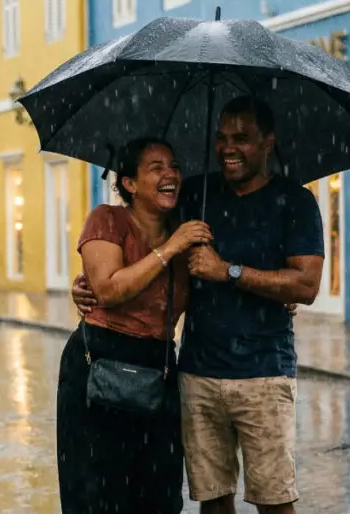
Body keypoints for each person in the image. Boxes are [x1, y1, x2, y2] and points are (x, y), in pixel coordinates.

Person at [73, 96, 325, 514]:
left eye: (242, 138)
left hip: (263, 373)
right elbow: (145, 241)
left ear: (268, 142)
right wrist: (89, 282)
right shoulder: (196, 195)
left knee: (275, 500)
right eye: (222, 137)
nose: (228, 147)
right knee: (212, 497)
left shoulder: (295, 202)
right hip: (196, 374)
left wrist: (229, 271)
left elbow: (307, 283)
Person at [57, 138, 212, 514]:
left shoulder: (188, 231)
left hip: (157, 366)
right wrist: (170, 248)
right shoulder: (108, 220)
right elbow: (108, 290)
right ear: (129, 183)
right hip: (100, 365)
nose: (170, 174)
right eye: (156, 167)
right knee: (97, 490)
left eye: (173, 166)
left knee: (158, 492)